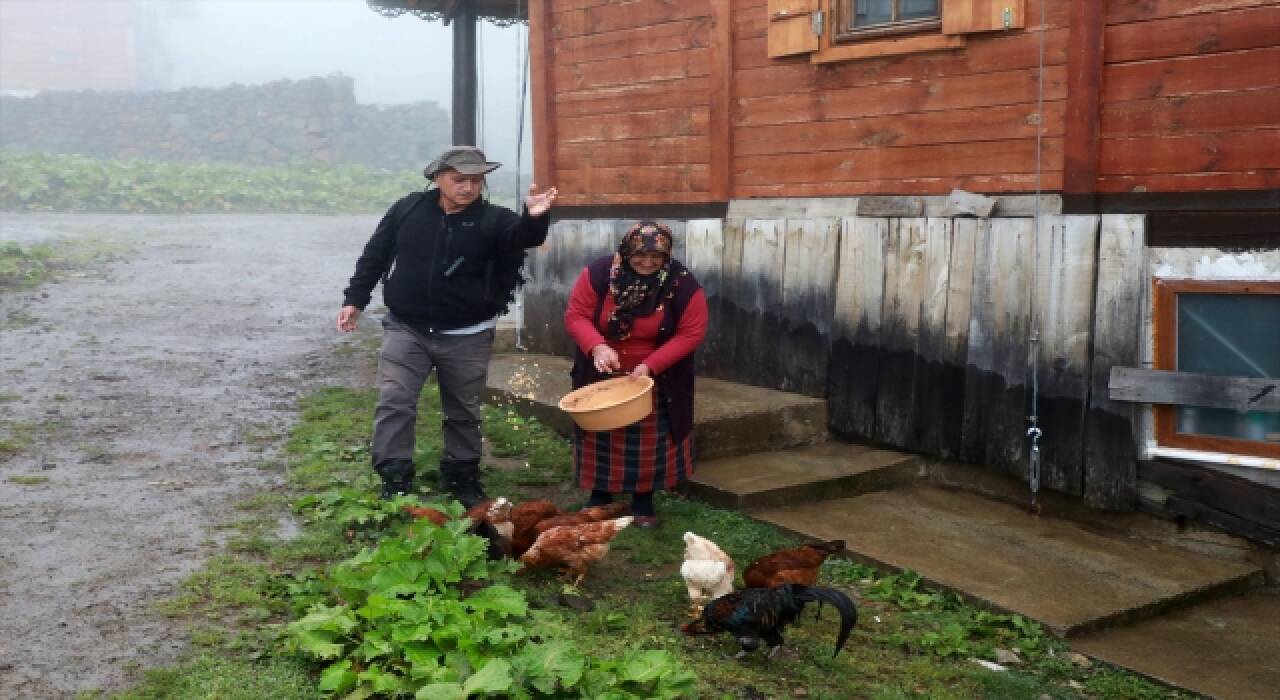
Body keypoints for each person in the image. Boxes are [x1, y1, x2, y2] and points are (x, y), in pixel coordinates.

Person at [337, 146, 558, 505]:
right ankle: (394, 478)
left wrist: (534, 217)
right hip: (406, 328)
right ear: (437, 179)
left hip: (467, 334)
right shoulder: (408, 210)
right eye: (459, 180)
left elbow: (524, 237)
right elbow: (375, 254)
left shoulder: (494, 220)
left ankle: (463, 476)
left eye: (476, 180)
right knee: (395, 400)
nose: (469, 188)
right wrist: (354, 300)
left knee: (463, 409)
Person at [563, 221, 708, 527]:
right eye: (640, 254)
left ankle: (643, 501)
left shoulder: (681, 283)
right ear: (626, 251)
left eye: (657, 256)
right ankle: (599, 495)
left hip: (655, 376)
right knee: (601, 433)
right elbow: (576, 315)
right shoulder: (601, 274)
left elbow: (691, 333)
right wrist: (598, 347)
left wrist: (650, 366)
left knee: (648, 442)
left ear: (667, 255)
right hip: (603, 368)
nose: (648, 261)